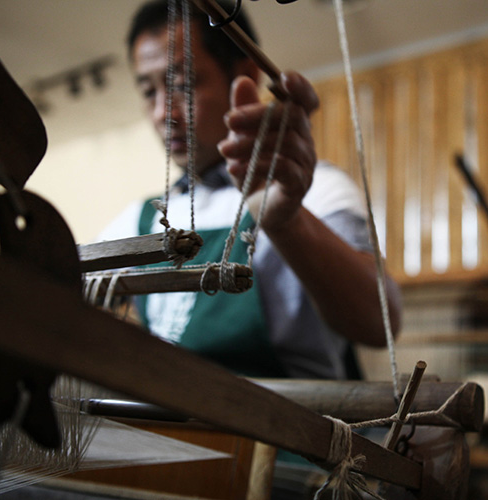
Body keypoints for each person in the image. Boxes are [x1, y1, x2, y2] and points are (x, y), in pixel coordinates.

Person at [99, 0, 401, 380]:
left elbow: (380, 323)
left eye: (182, 85)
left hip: (294, 415)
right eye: (148, 91)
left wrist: (288, 222)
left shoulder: (316, 189)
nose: (162, 112)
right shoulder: (143, 217)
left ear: (243, 76)